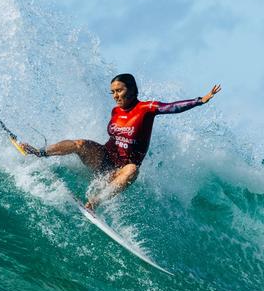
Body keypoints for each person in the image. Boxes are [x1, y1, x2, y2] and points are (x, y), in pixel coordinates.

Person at [21, 73, 221, 210]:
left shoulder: (146, 109)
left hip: (121, 171)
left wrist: (200, 100)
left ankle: (94, 203)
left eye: (119, 90)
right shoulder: (116, 111)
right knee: (80, 143)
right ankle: (39, 152)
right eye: (113, 92)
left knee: (133, 169)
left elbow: (171, 107)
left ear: (132, 89)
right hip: (104, 160)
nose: (116, 96)